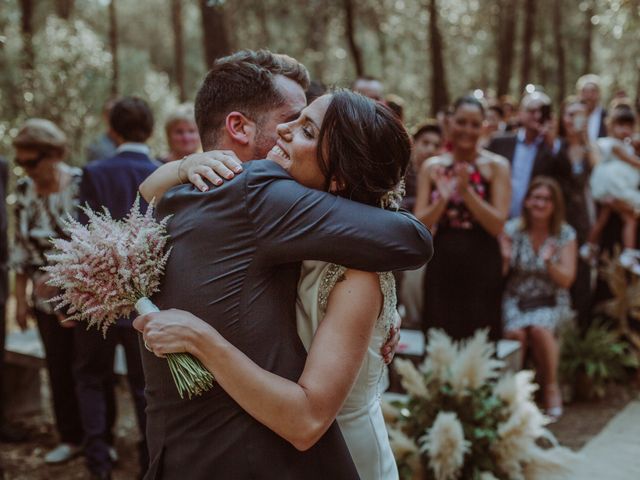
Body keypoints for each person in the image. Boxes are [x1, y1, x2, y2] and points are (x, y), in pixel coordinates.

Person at [135, 50, 432, 480]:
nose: (286, 131)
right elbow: (148, 194)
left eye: (305, 125)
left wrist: (201, 339)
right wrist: (182, 167)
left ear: (338, 178)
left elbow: (308, 418)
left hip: (340, 454)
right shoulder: (272, 223)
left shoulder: (349, 270)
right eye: (290, 116)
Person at [75, 97, 157, 480]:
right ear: (151, 130)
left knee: (93, 376)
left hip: (98, 298)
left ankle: (99, 463)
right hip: (149, 301)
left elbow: (83, 237)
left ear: (113, 131)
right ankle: (148, 463)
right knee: (147, 387)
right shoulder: (164, 171)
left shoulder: (94, 172)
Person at [10, 119, 85, 463]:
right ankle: (70, 437)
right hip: (43, 298)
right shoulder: (24, 190)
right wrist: (22, 296)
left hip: (84, 294)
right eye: (20, 162)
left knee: (86, 367)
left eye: (32, 161)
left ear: (55, 154)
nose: (26, 169)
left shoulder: (81, 184)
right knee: (57, 367)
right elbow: (21, 247)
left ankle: (99, 437)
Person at [415, 95, 511, 341]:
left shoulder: (497, 166)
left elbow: (497, 224)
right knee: (440, 333)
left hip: (483, 259)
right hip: (442, 257)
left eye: (474, 124)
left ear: (483, 127)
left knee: (480, 336)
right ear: (449, 122)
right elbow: (419, 224)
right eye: (461, 122)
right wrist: (443, 199)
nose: (467, 130)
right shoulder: (432, 167)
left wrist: (467, 192)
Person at [499, 177, 577, 419]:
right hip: (517, 296)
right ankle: (515, 394)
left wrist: (549, 263)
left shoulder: (564, 233)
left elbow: (567, 279)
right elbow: (500, 274)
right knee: (516, 334)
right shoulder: (513, 229)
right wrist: (503, 256)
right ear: (526, 201)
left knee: (539, 330)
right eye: (535, 198)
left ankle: (550, 388)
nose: (539, 203)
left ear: (555, 204)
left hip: (550, 298)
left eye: (546, 199)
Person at [551, 96, 599, 327]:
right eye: (570, 115)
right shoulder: (555, 146)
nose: (573, 120)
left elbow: (599, 177)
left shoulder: (592, 148)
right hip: (556, 221)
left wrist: (586, 140)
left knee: (582, 280)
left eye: (580, 115)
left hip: (584, 224)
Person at [581, 103, 640, 274]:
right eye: (621, 125)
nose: (625, 130)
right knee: (629, 218)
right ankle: (628, 253)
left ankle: (590, 246)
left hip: (616, 188)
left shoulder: (628, 145)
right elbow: (631, 162)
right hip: (614, 187)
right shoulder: (612, 145)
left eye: (629, 126)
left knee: (605, 218)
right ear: (611, 126)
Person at [487, 91, 555, 219]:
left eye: (542, 112)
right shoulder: (499, 142)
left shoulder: (551, 148)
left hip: (534, 222)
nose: (537, 116)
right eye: (532, 111)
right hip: (499, 218)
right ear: (520, 113)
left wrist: (550, 142)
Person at [86, 98, 118, 163]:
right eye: (109, 113)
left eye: (114, 112)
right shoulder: (96, 144)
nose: (112, 116)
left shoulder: (128, 141)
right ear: (104, 116)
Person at [577, 74, 607, 142]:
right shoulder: (572, 116)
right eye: (585, 91)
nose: (589, 96)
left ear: (599, 93)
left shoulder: (606, 116)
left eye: (593, 91)